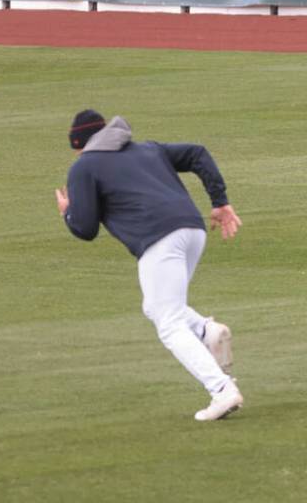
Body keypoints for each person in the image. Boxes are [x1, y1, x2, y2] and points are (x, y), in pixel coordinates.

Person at [54, 110, 245, 422]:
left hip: (159, 239)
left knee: (167, 321)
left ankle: (221, 389)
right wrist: (219, 201)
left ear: (81, 144)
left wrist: (67, 213)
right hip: (192, 230)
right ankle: (205, 329)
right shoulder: (148, 149)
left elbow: (85, 228)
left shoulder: (84, 166)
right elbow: (197, 152)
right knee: (158, 307)